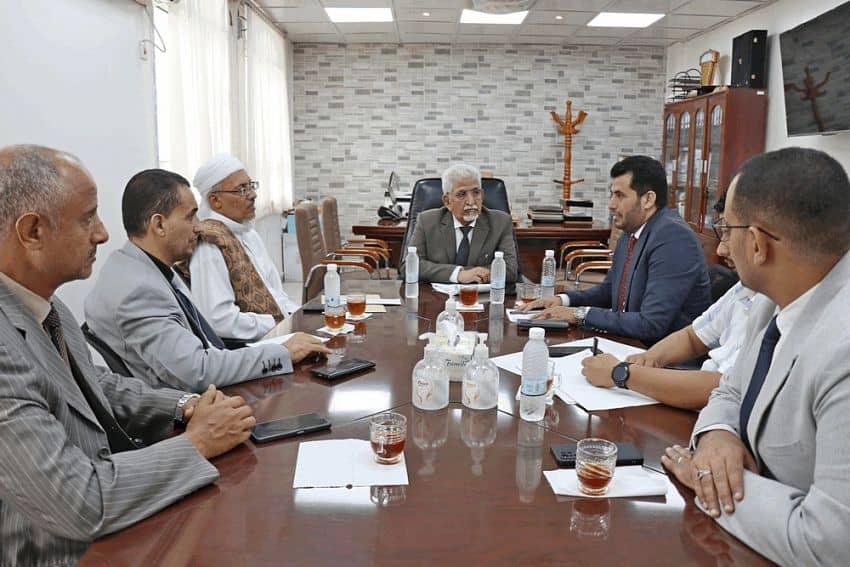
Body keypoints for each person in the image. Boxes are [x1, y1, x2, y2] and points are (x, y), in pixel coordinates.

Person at [0, 145, 255, 565]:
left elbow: (93, 381)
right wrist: (198, 443)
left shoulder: (46, 303)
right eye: (87, 218)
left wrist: (184, 405)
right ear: (32, 231)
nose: (102, 234)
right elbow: (79, 501)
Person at [661, 147, 850, 566]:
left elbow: (830, 544)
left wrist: (706, 479)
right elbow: (731, 390)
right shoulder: (773, 298)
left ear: (759, 244)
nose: (721, 247)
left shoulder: (843, 350)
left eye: (727, 229)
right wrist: (717, 436)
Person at [85, 169, 329, 392]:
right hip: (194, 405)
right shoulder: (138, 290)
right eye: (190, 217)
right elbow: (197, 371)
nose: (198, 226)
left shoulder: (138, 265)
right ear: (159, 224)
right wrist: (281, 353)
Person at [580, 197, 758, 410]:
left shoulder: (674, 238)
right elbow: (693, 337)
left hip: (709, 408)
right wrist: (650, 358)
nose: (720, 249)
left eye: (728, 231)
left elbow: (721, 387)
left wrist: (621, 373)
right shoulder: (745, 287)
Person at [519, 155, 710, 345]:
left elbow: (651, 324)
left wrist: (578, 314)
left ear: (648, 199)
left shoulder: (674, 238)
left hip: (660, 356)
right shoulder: (631, 232)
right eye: (612, 195)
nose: (611, 204)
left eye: (620, 195)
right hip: (627, 343)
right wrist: (563, 300)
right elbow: (609, 291)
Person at [189, 154, 299, 341]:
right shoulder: (209, 244)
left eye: (251, 186)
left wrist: (298, 315)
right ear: (215, 201)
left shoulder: (249, 234)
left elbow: (276, 294)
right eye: (241, 189)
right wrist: (277, 323)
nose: (253, 195)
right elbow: (220, 321)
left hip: (280, 331)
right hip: (252, 347)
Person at [400, 163, 518, 284]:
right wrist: (457, 274)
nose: (471, 201)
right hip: (437, 295)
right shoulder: (427, 221)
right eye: (461, 194)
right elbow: (408, 266)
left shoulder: (501, 222)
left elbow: (511, 270)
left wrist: (471, 275)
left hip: (483, 294)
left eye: (476, 192)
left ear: (482, 195)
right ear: (447, 201)